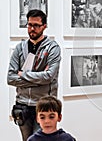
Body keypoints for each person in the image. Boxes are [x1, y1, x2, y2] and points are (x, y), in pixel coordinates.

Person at [7, 9, 61, 141]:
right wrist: (39, 79)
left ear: (44, 26)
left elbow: (49, 76)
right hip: (22, 105)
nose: (32, 29)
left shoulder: (53, 48)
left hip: (44, 105)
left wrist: (23, 74)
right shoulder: (20, 48)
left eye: (36, 25)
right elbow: (10, 78)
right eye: (29, 25)